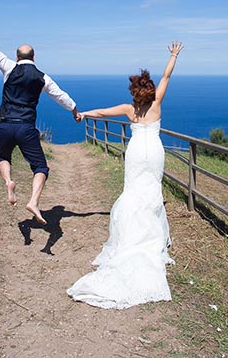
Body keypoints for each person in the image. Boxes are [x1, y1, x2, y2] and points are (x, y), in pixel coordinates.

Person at [67, 40, 183, 309]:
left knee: (132, 192)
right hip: (153, 152)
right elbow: (167, 75)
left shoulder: (130, 110)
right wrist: (174, 55)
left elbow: (101, 112)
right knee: (152, 190)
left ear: (133, 92)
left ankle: (131, 235)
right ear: (150, 90)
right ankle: (150, 235)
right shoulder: (156, 105)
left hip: (134, 153)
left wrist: (83, 114)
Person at [0, 1, 79, 225]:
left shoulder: (9, 67)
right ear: (34, 57)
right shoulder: (42, 77)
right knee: (40, 167)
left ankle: (9, 181)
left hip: (6, 125)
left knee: (3, 157)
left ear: (17, 57)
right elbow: (60, 96)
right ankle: (34, 202)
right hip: (27, 127)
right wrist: (75, 110)